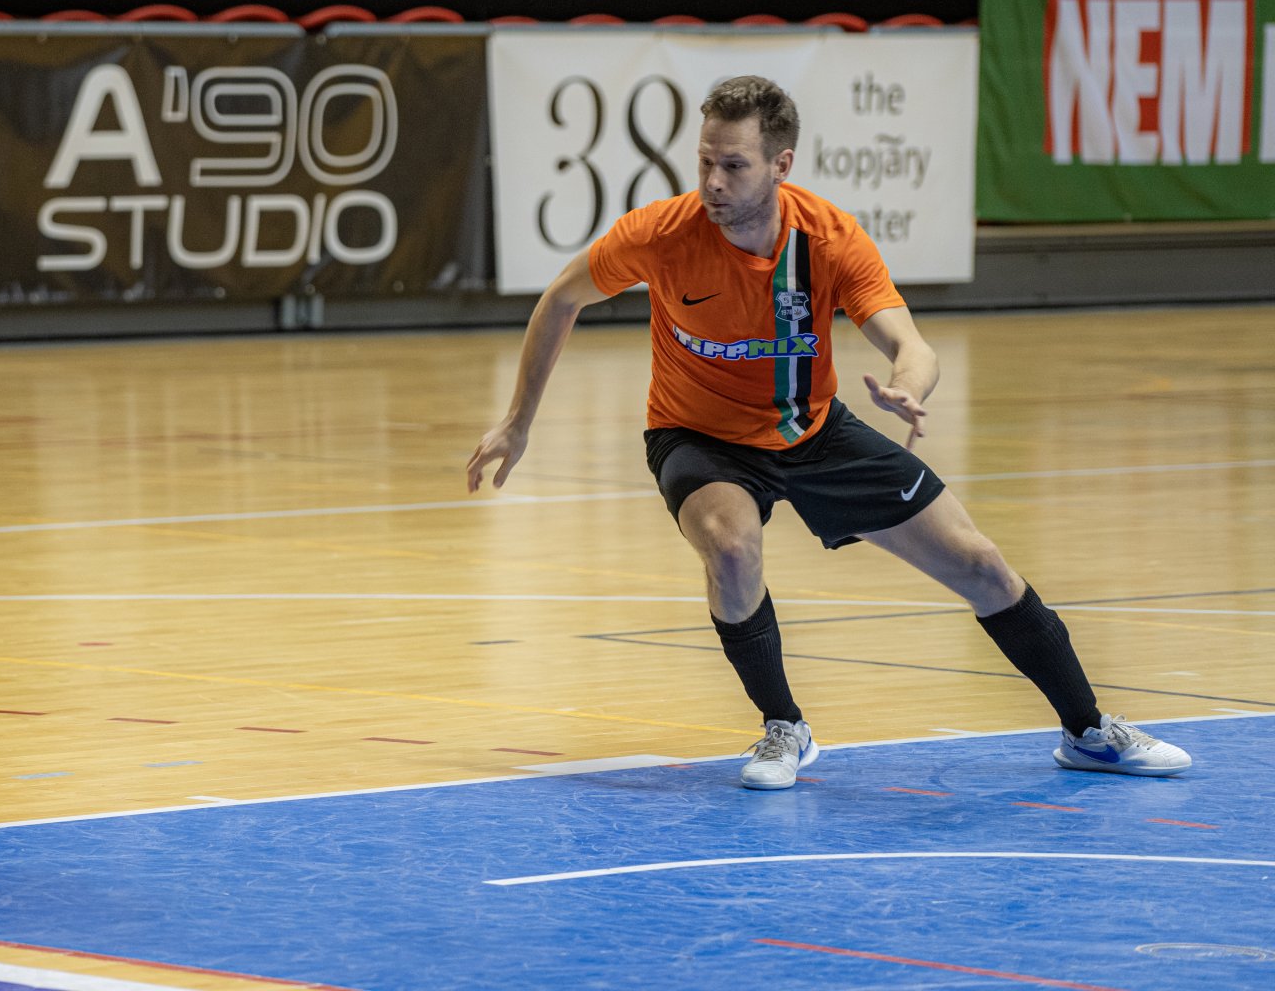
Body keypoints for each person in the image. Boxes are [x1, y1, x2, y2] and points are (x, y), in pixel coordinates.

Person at [466, 75, 1191, 790]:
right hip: (698, 435)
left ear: (781, 165)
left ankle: (1088, 731)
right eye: (705, 161)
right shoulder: (661, 235)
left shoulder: (828, 239)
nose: (713, 182)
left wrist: (906, 387)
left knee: (980, 564)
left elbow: (913, 346)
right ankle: (785, 726)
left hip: (813, 432)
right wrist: (517, 421)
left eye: (734, 165)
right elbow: (562, 298)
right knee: (730, 545)